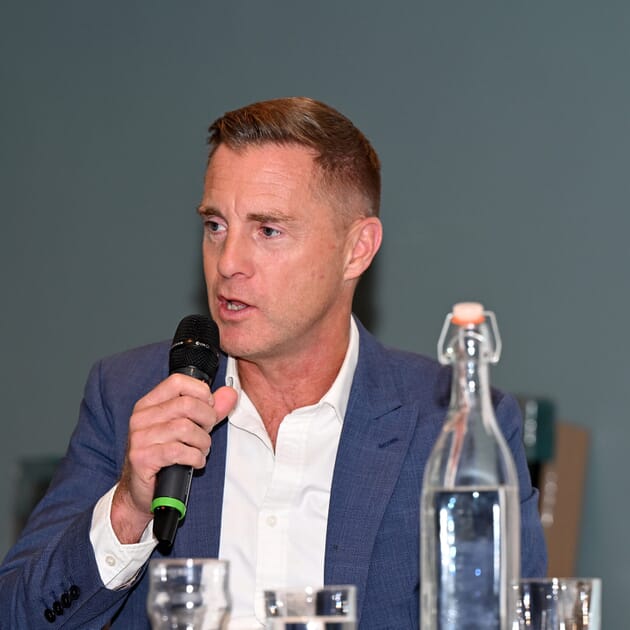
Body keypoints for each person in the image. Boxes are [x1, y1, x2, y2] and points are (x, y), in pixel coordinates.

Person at [0, 97, 546, 628]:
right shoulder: (129, 397)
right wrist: (127, 510)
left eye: (268, 231)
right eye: (216, 226)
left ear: (356, 249)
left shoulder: (450, 427)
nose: (228, 263)